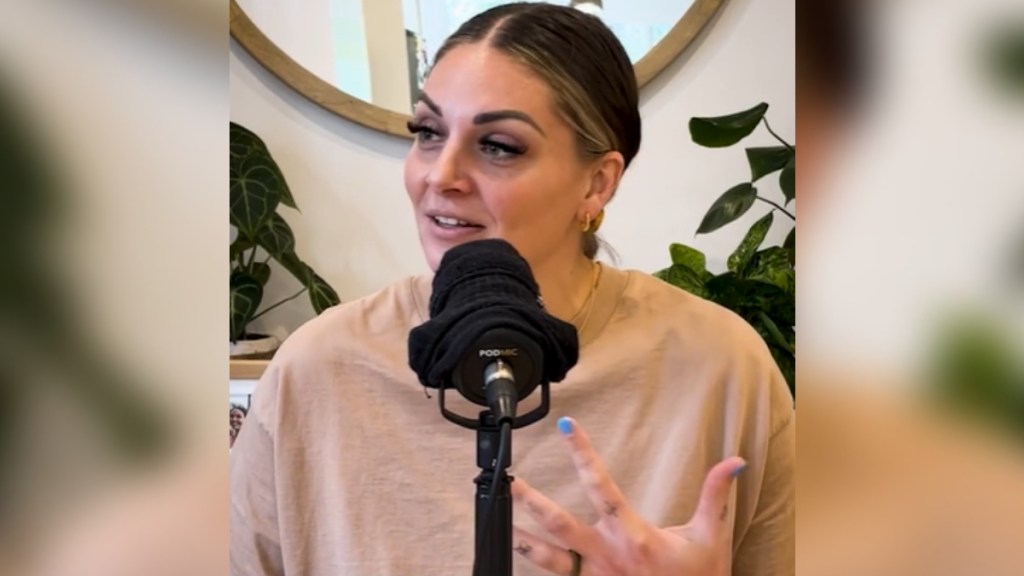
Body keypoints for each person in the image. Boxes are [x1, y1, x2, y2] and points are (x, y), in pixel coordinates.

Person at [229, 3, 794, 576]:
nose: (439, 175)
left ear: (598, 183)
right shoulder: (317, 370)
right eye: (427, 132)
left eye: (499, 145)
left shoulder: (719, 368)